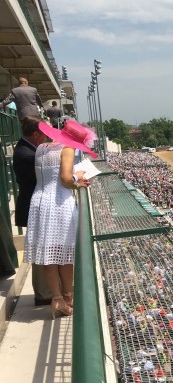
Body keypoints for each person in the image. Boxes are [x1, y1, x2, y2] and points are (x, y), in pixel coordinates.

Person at [24, 119, 96, 317]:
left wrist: (74, 173)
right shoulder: (67, 149)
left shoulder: (41, 148)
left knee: (50, 256)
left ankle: (57, 299)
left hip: (39, 202)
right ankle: (68, 296)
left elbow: (53, 172)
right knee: (65, 254)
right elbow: (65, 180)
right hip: (59, 204)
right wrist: (78, 182)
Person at [13, 116, 52, 305]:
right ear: (36, 134)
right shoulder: (27, 154)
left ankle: (46, 292)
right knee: (40, 251)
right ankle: (44, 294)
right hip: (33, 206)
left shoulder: (29, 149)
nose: (47, 138)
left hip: (34, 205)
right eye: (45, 134)